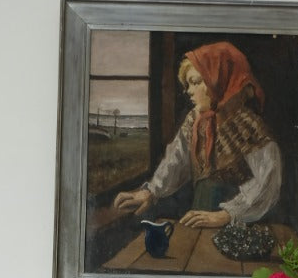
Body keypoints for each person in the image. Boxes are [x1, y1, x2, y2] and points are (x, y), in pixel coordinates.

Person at [113, 41, 282, 230]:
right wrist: (151, 192)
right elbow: (176, 160)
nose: (189, 92)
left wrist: (227, 214)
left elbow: (267, 182)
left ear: (220, 82)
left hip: (243, 222)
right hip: (200, 213)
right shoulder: (195, 120)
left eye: (195, 82)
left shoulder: (249, 127)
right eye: (188, 84)